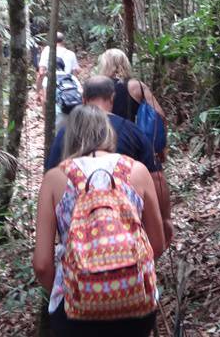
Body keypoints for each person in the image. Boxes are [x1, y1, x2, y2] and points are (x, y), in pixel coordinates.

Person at [33, 105, 165, 336]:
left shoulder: (54, 179)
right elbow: (157, 244)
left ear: (70, 136)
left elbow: (42, 264)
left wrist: (73, 287)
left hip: (75, 310)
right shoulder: (137, 171)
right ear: (107, 133)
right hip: (134, 301)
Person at [45, 75, 174, 244]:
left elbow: (51, 190)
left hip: (78, 246)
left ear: (83, 100)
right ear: (112, 98)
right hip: (127, 242)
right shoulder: (131, 131)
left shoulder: (65, 134)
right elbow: (157, 179)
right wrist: (164, 220)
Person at [98, 48, 167, 160]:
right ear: (125, 63)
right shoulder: (136, 86)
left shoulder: (97, 86)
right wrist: (159, 147)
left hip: (103, 141)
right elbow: (159, 114)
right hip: (130, 139)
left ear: (105, 65)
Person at [35, 32, 80, 106]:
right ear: (63, 41)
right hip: (66, 85)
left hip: (50, 83)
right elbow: (75, 73)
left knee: (46, 102)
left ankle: (45, 117)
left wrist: (38, 92)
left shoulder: (47, 50)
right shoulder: (71, 54)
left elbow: (41, 72)